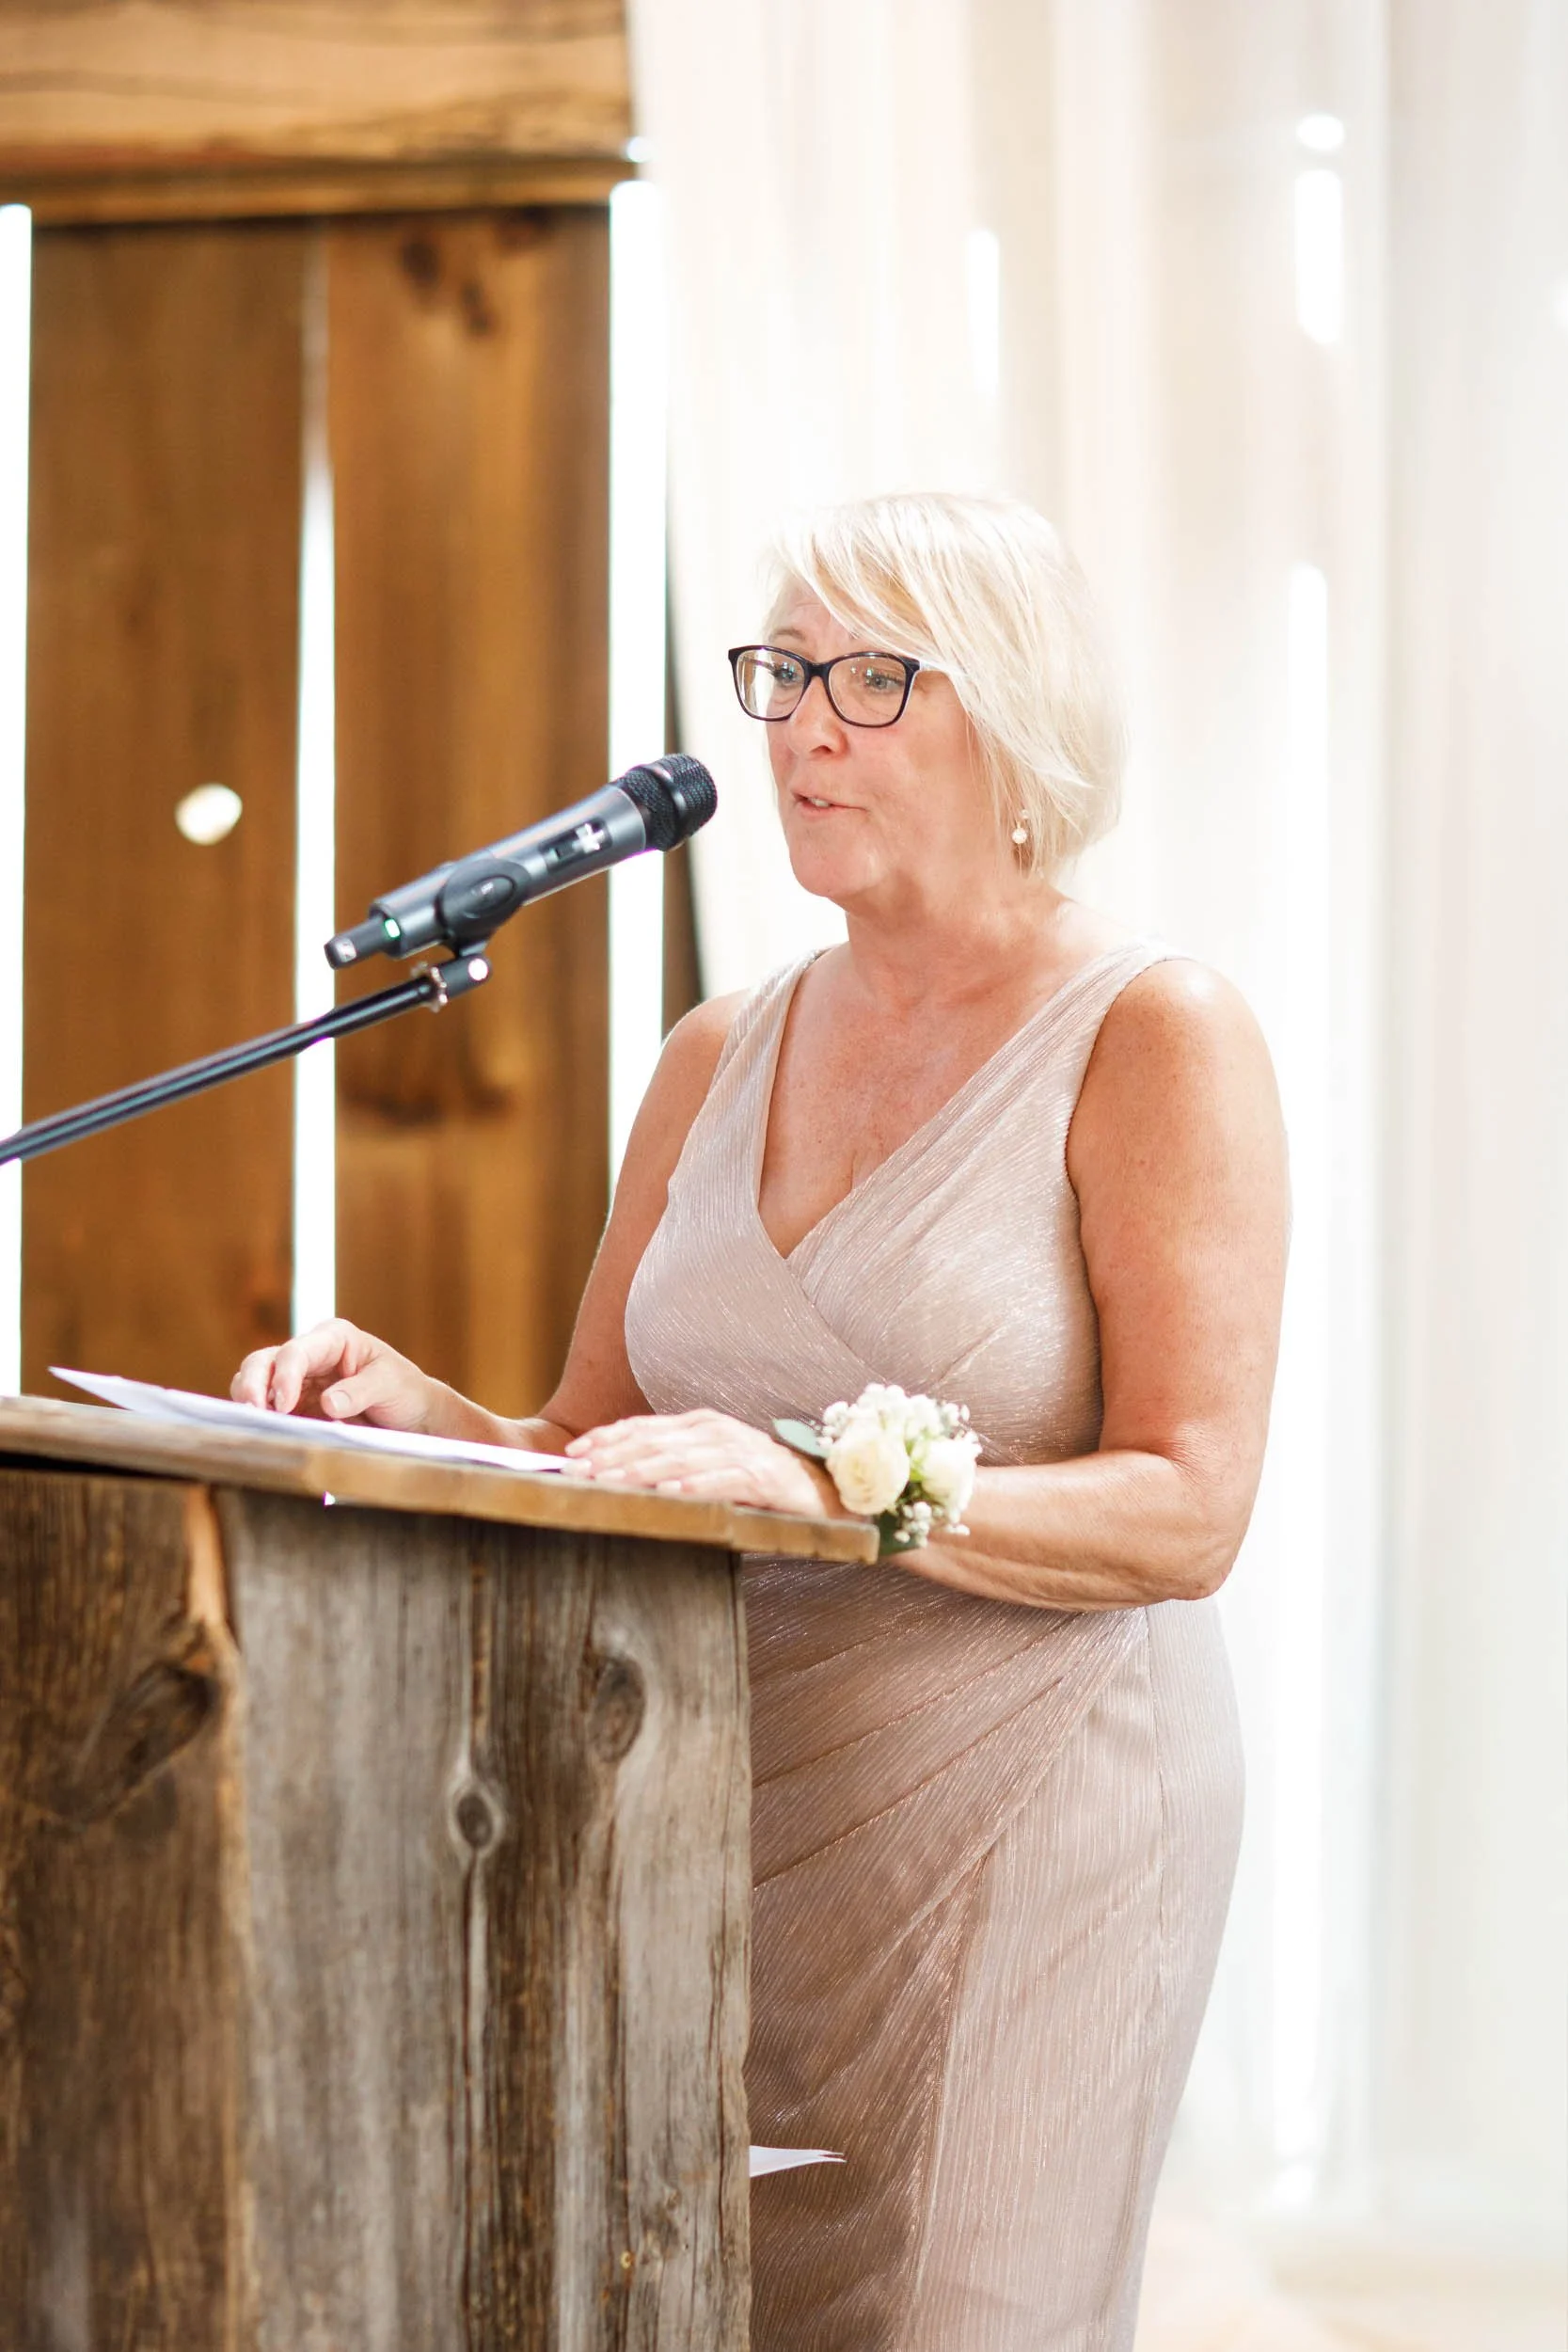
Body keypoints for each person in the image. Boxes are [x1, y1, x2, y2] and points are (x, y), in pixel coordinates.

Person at [234, 491, 1289, 2352]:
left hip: (1030, 1810)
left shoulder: (1153, 1029)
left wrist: (821, 1484)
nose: (802, 726)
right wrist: (423, 1410)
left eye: (872, 677)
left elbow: (1188, 1505)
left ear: (1016, 714)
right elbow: (597, 1436)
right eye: (783, 671)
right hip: (719, 1798)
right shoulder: (717, 1049)